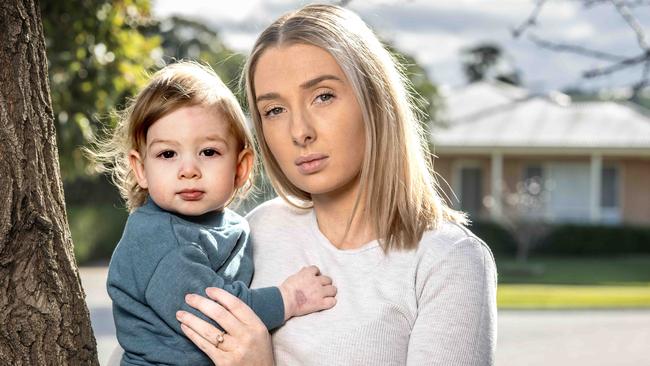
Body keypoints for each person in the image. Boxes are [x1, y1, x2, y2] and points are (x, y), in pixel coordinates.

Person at [176, 4, 498, 366]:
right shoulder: (256, 231)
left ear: (374, 100)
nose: (300, 132)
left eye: (323, 96)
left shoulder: (448, 259)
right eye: (274, 110)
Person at [94, 61, 337, 366]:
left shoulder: (232, 224)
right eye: (167, 154)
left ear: (240, 167)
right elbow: (219, 315)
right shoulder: (157, 240)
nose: (189, 170)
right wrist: (289, 298)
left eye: (208, 152)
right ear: (141, 169)